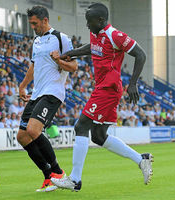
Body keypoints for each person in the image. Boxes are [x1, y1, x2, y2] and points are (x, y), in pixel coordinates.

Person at [51, 3, 153, 191]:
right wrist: (72, 53)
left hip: (109, 87)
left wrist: (133, 83)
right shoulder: (96, 33)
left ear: (101, 20)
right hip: (103, 87)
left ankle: (74, 180)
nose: (87, 26)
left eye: (89, 22)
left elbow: (141, 54)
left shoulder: (116, 35)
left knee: (81, 125)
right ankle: (141, 160)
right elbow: (94, 47)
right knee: (98, 136)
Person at [16, 5, 78, 192]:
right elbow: (34, 66)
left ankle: (58, 173)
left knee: (34, 130)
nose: (33, 26)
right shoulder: (37, 41)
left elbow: (74, 67)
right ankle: (48, 177)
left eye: (35, 23)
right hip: (37, 93)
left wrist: (59, 61)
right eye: (31, 23)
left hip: (53, 91)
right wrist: (22, 85)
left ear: (45, 20)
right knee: (22, 136)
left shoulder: (61, 38)